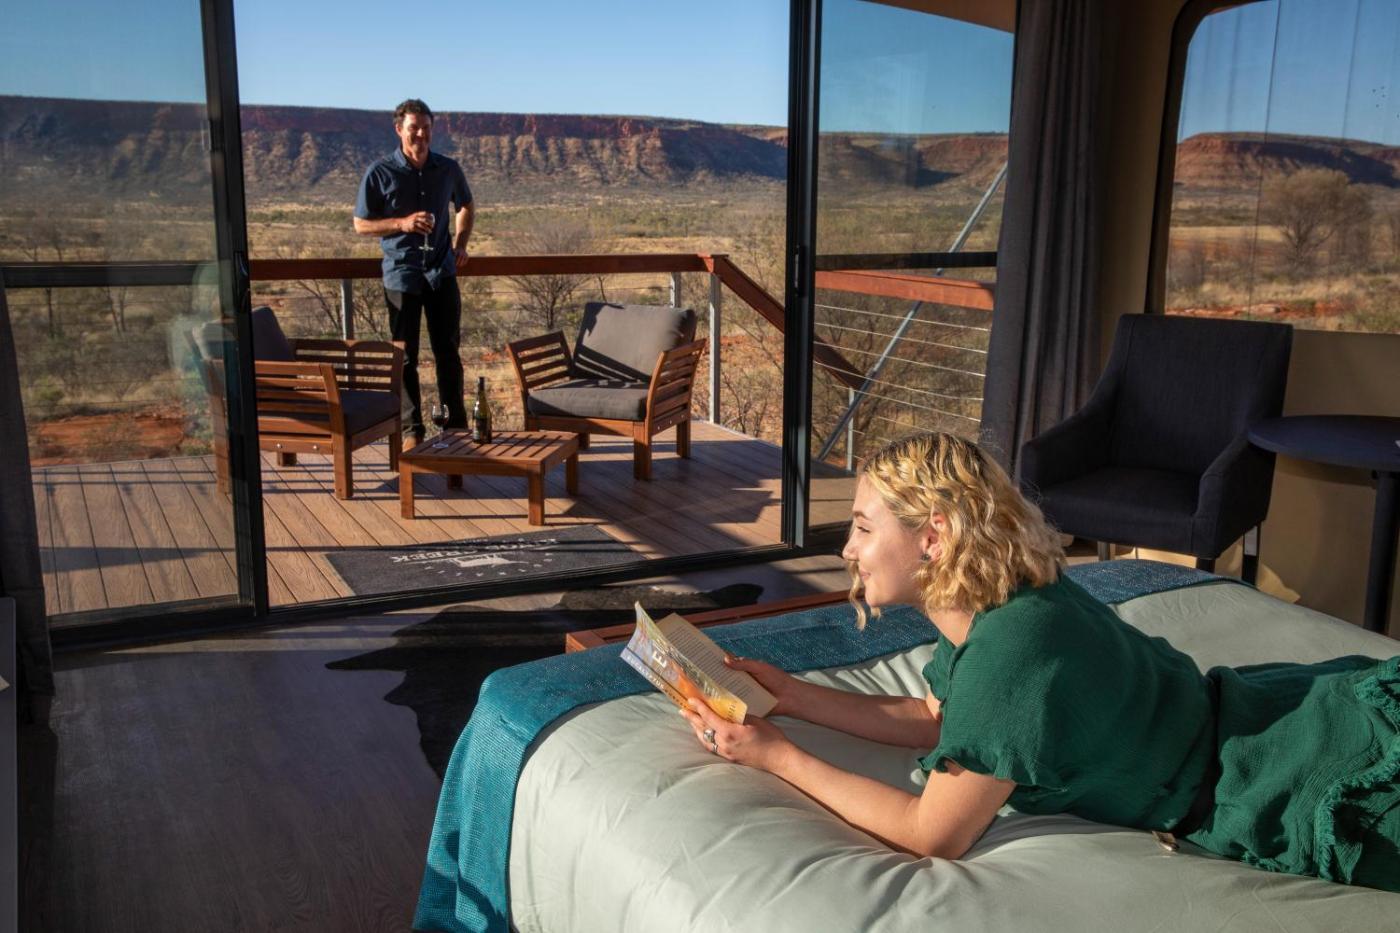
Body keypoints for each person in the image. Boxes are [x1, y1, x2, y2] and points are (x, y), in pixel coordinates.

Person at [680, 431, 1400, 892]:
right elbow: (938, 715)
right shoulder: (1005, 598)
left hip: (1282, 776)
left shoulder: (1012, 652)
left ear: (933, 537)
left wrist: (774, 755)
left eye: (864, 529)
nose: (847, 549)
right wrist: (793, 696)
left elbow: (934, 833)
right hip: (1263, 712)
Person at [353, 98, 475, 442]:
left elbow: (466, 204)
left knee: (447, 352)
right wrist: (401, 223)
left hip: (441, 273)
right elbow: (361, 224)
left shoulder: (447, 168)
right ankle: (412, 431)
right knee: (405, 357)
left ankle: (455, 429)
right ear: (399, 129)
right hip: (401, 275)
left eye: (426, 128)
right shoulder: (380, 172)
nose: (420, 134)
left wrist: (461, 243)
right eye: (413, 128)